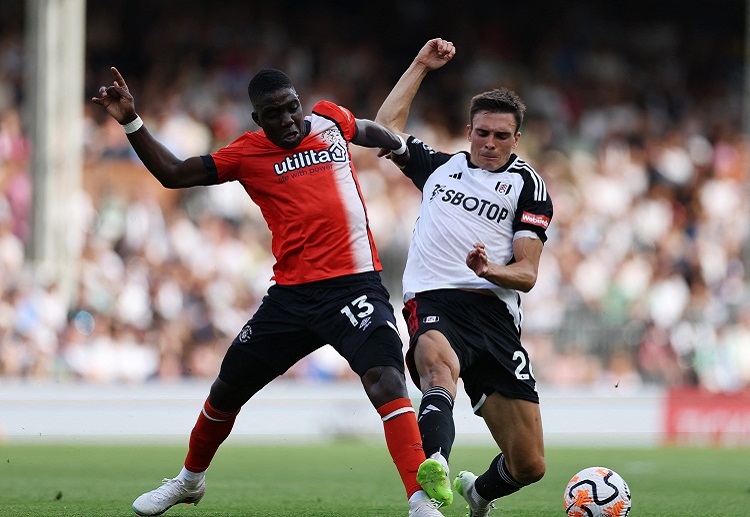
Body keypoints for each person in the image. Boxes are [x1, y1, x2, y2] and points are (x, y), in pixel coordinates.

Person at [92, 67, 448, 517]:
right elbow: (173, 173)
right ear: (257, 118)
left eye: (291, 108)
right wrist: (131, 121)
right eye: (274, 114)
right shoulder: (246, 153)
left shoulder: (329, 118)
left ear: (301, 102)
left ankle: (418, 501)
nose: (287, 120)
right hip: (292, 297)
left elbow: (365, 128)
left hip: (355, 284)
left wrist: (396, 144)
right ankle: (189, 481)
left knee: (386, 379)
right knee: (226, 390)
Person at [375, 38, 552, 516]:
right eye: (481, 133)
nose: (489, 144)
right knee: (438, 369)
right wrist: (419, 66)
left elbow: (528, 273)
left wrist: (489, 269)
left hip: (493, 313)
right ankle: (431, 471)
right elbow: (384, 128)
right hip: (434, 298)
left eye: (500, 136)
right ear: (468, 131)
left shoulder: (529, 187)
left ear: (516, 139)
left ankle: (478, 493)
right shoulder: (439, 169)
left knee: (529, 464)